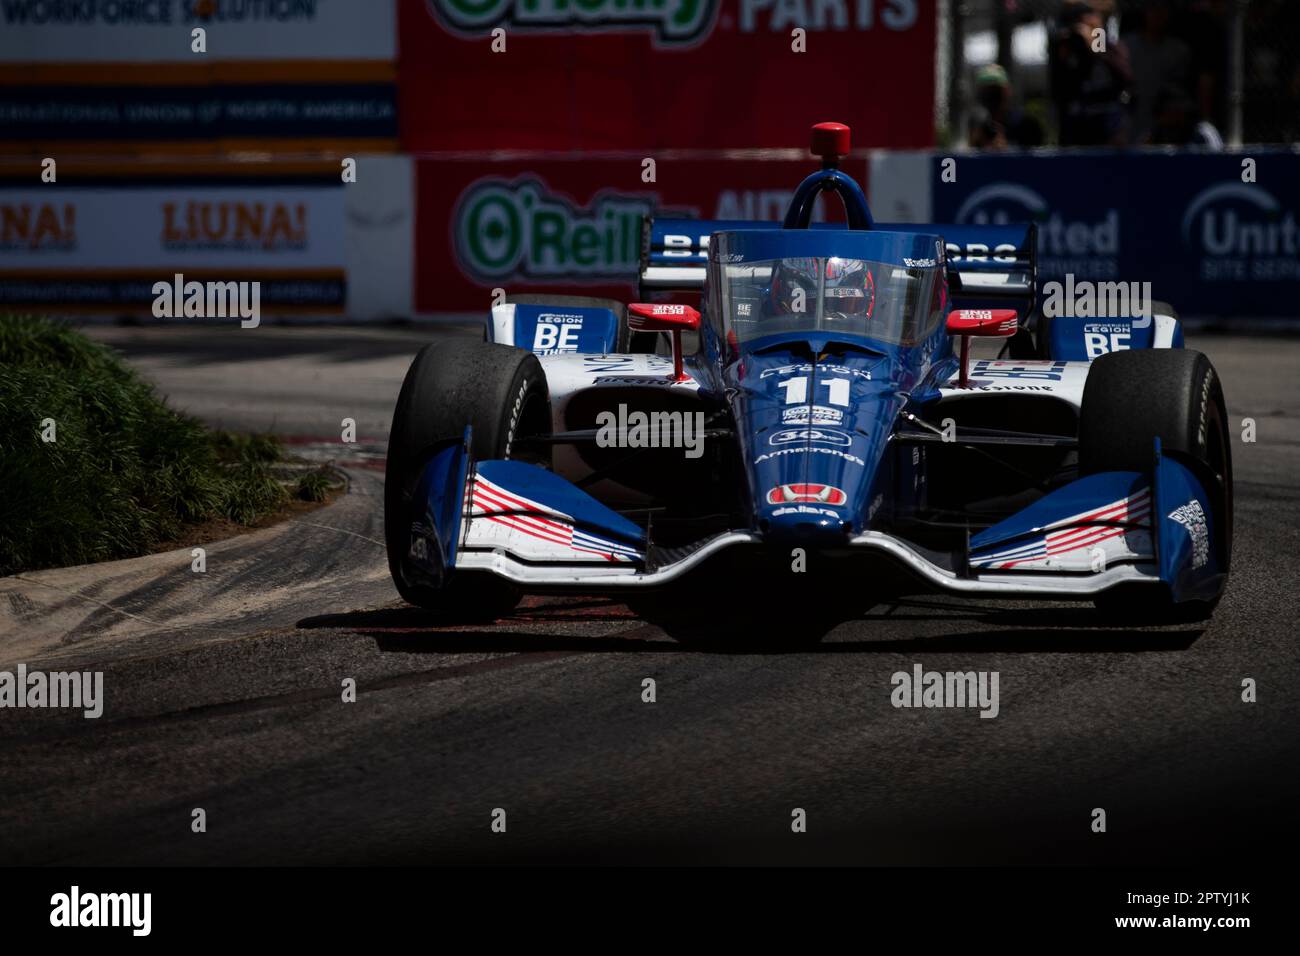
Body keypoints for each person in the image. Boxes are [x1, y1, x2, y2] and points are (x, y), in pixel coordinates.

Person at [1049, 0, 1133, 145]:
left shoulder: (1109, 47)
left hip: (1108, 129)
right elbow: (1061, 90)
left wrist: (1095, 45)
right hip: (1077, 128)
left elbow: (1126, 78)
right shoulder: (1070, 49)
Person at [968, 63, 1046, 149]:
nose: (991, 96)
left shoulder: (1028, 126)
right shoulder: (981, 130)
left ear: (1007, 91)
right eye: (986, 91)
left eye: (995, 90)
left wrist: (1007, 149)